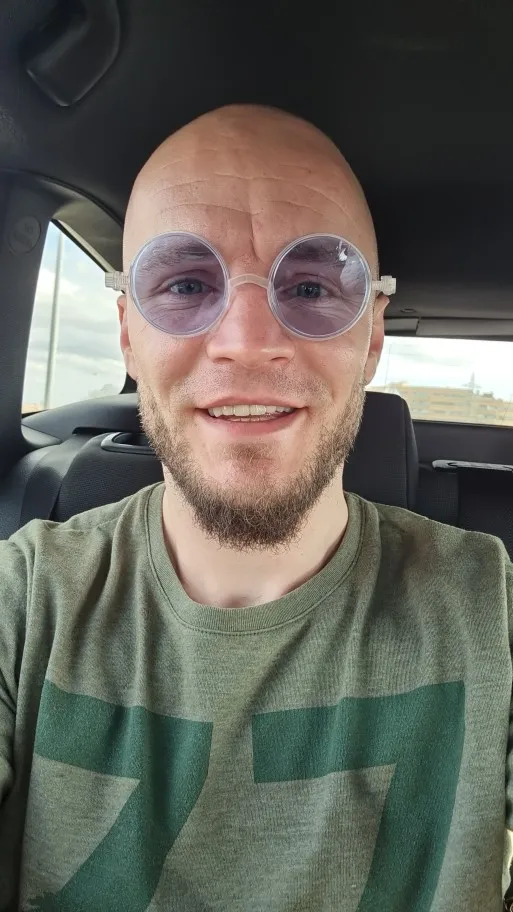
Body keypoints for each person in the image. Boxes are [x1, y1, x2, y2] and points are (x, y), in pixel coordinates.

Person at [0, 104, 512, 912]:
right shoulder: (24, 601)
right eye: (184, 285)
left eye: (310, 286)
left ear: (372, 338)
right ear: (129, 333)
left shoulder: (490, 607)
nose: (246, 338)